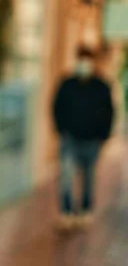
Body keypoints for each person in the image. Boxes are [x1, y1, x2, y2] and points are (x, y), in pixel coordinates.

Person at [53, 45, 114, 231]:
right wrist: (61, 130)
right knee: (66, 178)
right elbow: (56, 107)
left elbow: (110, 112)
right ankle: (67, 212)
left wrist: (103, 136)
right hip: (70, 140)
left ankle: (86, 210)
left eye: (87, 60)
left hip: (91, 141)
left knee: (88, 178)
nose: (84, 64)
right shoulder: (67, 84)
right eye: (81, 59)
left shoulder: (101, 86)